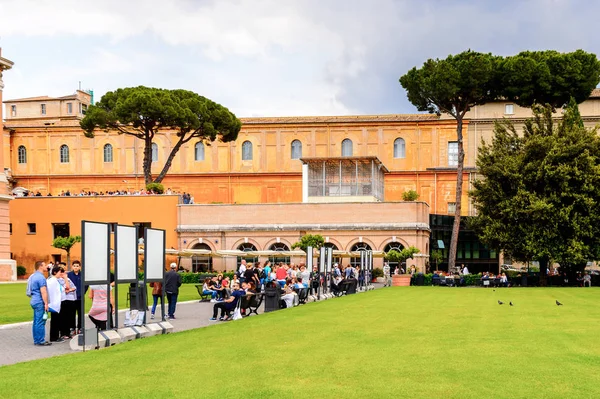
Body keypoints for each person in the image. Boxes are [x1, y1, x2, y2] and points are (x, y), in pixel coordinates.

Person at [26, 261, 51, 346]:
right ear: (40, 266)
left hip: (34, 300)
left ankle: (37, 339)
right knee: (41, 321)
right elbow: (43, 291)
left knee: (36, 321)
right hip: (39, 301)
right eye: (44, 265)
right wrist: (46, 303)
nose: (46, 266)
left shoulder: (33, 276)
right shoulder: (41, 277)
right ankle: (40, 340)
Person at [67, 260, 82, 333]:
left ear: (80, 267)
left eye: (77, 266)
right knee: (71, 313)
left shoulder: (83, 275)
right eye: (74, 266)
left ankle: (80, 327)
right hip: (72, 298)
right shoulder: (69, 275)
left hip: (80, 297)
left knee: (80, 313)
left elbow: (86, 285)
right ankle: (72, 327)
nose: (76, 267)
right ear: (72, 267)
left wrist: (82, 292)